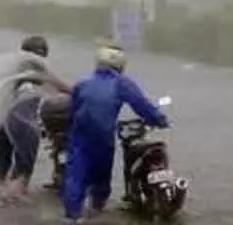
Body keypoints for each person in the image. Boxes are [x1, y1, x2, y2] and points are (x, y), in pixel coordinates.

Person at [62, 42, 167, 224]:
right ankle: (97, 209)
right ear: (121, 65)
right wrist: (160, 120)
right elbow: (142, 105)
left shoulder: (82, 83)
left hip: (80, 135)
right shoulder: (122, 83)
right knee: (102, 175)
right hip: (103, 136)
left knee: (75, 175)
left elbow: (73, 110)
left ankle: (73, 216)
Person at [0, 34, 71, 202]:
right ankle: (14, 204)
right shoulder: (36, 68)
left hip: (3, 123)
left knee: (0, 173)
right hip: (22, 123)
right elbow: (60, 86)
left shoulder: (15, 69)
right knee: (23, 172)